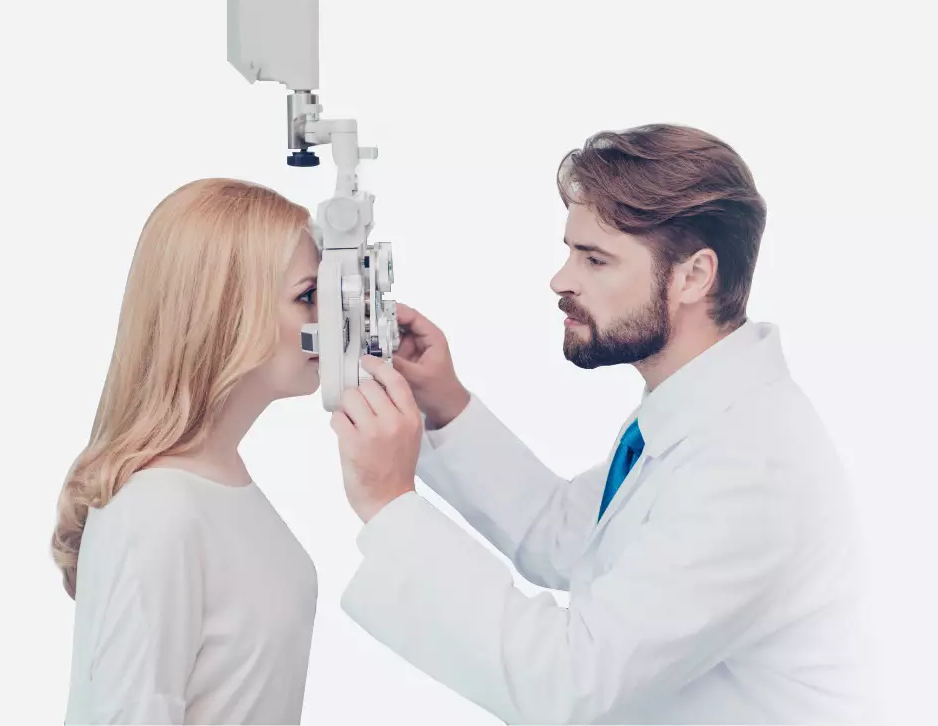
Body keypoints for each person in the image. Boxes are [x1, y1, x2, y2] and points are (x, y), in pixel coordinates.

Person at [329, 125, 875, 724]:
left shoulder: (749, 466)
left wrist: (390, 505)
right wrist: (444, 402)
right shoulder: (693, 411)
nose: (561, 280)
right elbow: (564, 535)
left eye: (594, 259)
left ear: (693, 276)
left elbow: (570, 684)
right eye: (571, 252)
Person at [52, 178, 323, 724]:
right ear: (231, 312)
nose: (329, 320)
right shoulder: (156, 510)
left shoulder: (220, 487)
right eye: (307, 296)